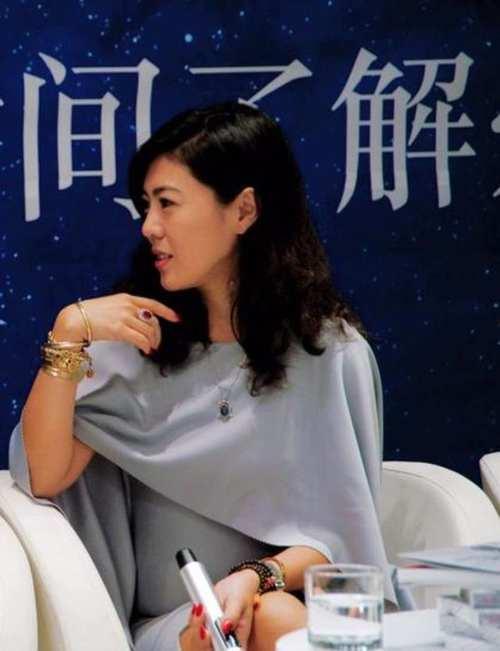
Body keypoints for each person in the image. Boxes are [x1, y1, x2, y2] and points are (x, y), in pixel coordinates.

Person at [9, 100, 399, 651]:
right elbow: (44, 475)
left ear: (243, 211)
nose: (149, 227)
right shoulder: (137, 345)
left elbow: (344, 538)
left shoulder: (330, 354)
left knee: (273, 616)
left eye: (167, 203)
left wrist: (255, 577)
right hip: (173, 627)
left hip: (290, 606)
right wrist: (68, 332)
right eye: (146, 206)